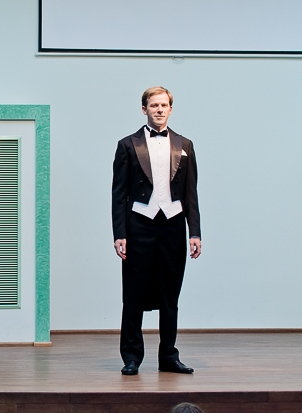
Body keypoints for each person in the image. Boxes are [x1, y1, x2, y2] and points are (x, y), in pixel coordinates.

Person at [111, 86, 201, 376]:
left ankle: (169, 357)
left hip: (173, 225)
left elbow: (191, 194)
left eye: (164, 105)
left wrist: (194, 232)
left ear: (170, 109)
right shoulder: (127, 145)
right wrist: (119, 233)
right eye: (154, 105)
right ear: (144, 109)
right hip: (139, 225)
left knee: (170, 295)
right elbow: (119, 194)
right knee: (133, 294)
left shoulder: (185, 144)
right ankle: (131, 357)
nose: (159, 110)